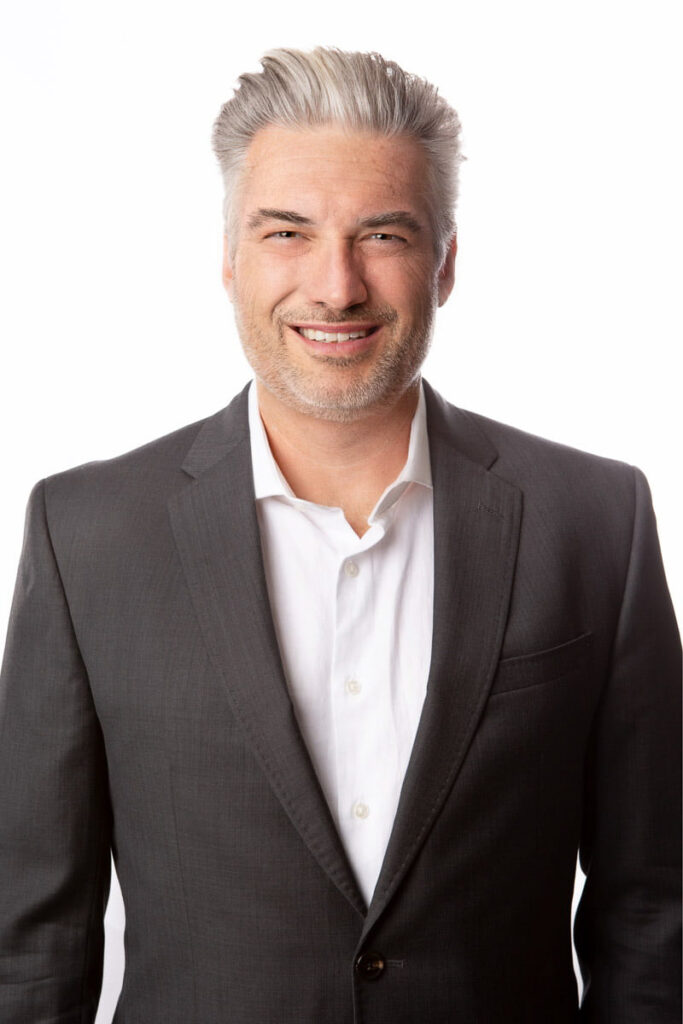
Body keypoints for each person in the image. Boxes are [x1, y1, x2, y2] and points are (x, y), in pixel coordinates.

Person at [0, 46, 680, 1024]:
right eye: (286, 231)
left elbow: (653, 912)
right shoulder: (86, 534)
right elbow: (32, 941)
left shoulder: (593, 521)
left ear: (443, 264)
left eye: (383, 234)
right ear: (227, 257)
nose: (335, 285)